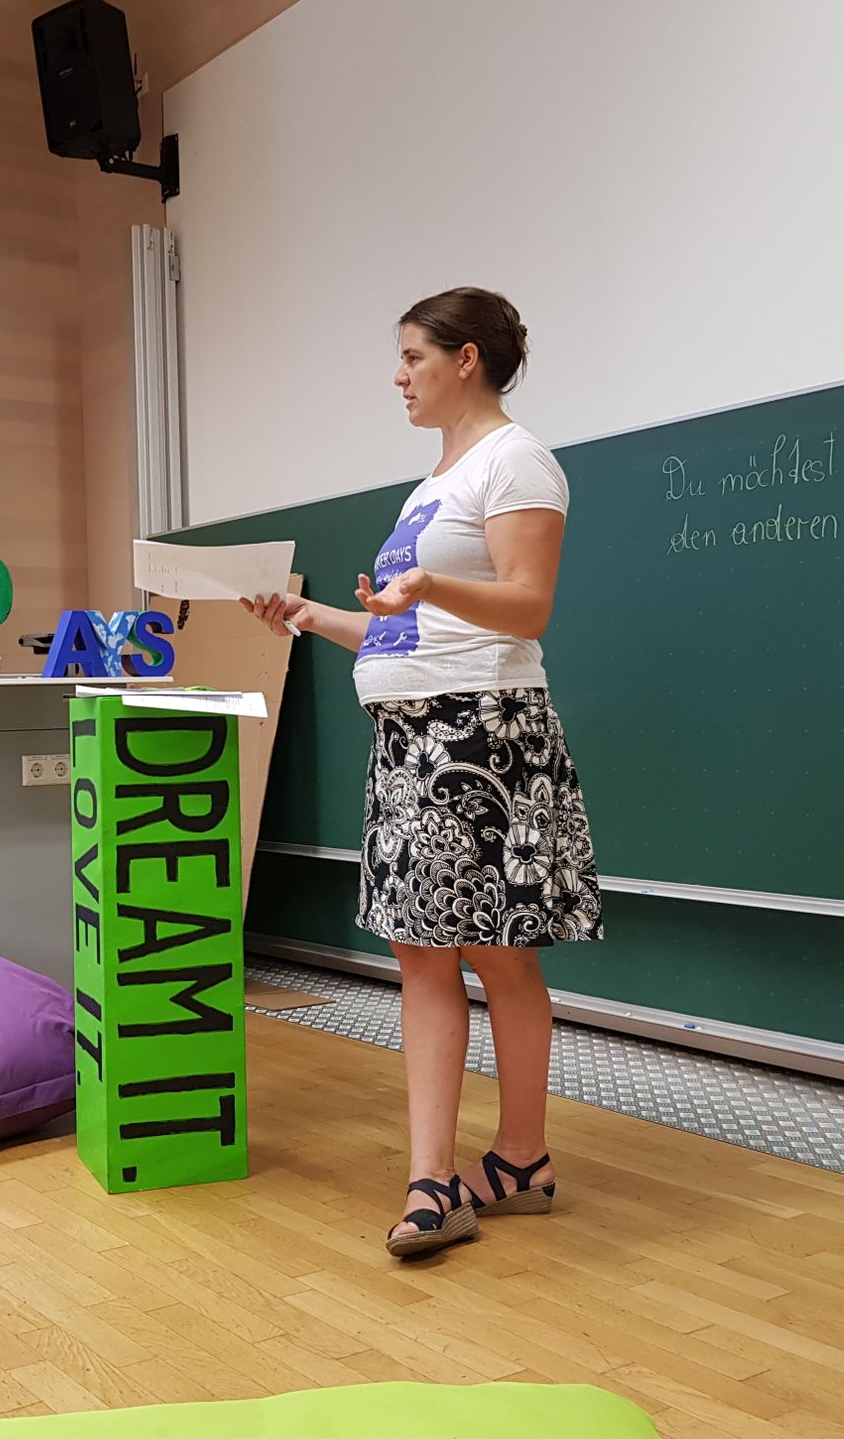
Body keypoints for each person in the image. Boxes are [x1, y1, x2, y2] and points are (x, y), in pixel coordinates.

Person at [244, 287, 603, 1258]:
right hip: (410, 740)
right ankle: (447, 1175)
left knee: (496, 952)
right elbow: (409, 626)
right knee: (423, 953)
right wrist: (314, 618)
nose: (397, 377)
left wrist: (431, 584)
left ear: (467, 360)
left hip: (481, 733)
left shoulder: (514, 460)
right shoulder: (428, 486)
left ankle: (505, 1163)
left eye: (412, 357)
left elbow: (525, 607)